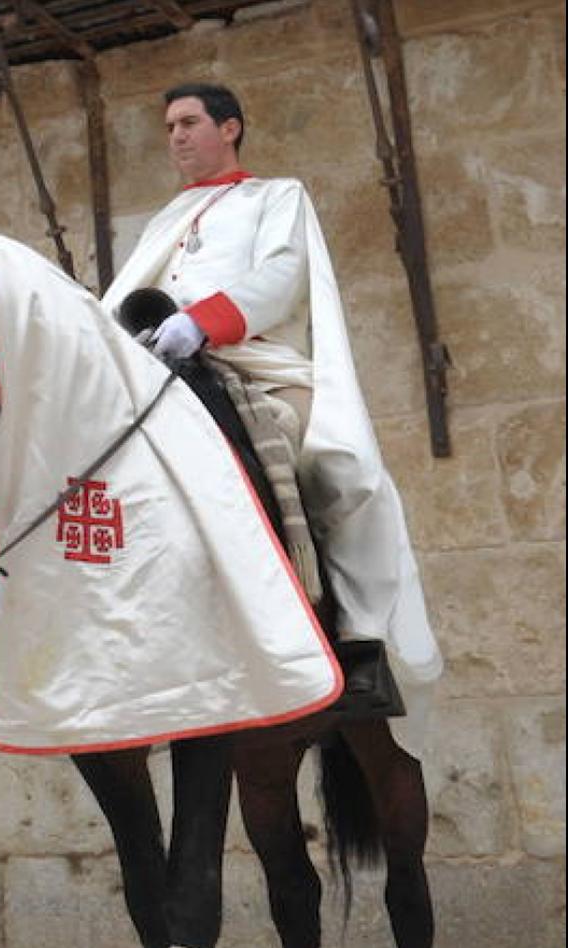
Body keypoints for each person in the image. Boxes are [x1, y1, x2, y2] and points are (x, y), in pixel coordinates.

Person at [103, 82, 441, 707]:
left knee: (343, 467)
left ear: (229, 128)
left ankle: (358, 641)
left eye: (188, 122)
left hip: (254, 360)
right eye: (169, 126)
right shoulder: (163, 221)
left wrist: (202, 321)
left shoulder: (277, 196)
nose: (175, 136)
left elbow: (282, 275)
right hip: (161, 365)